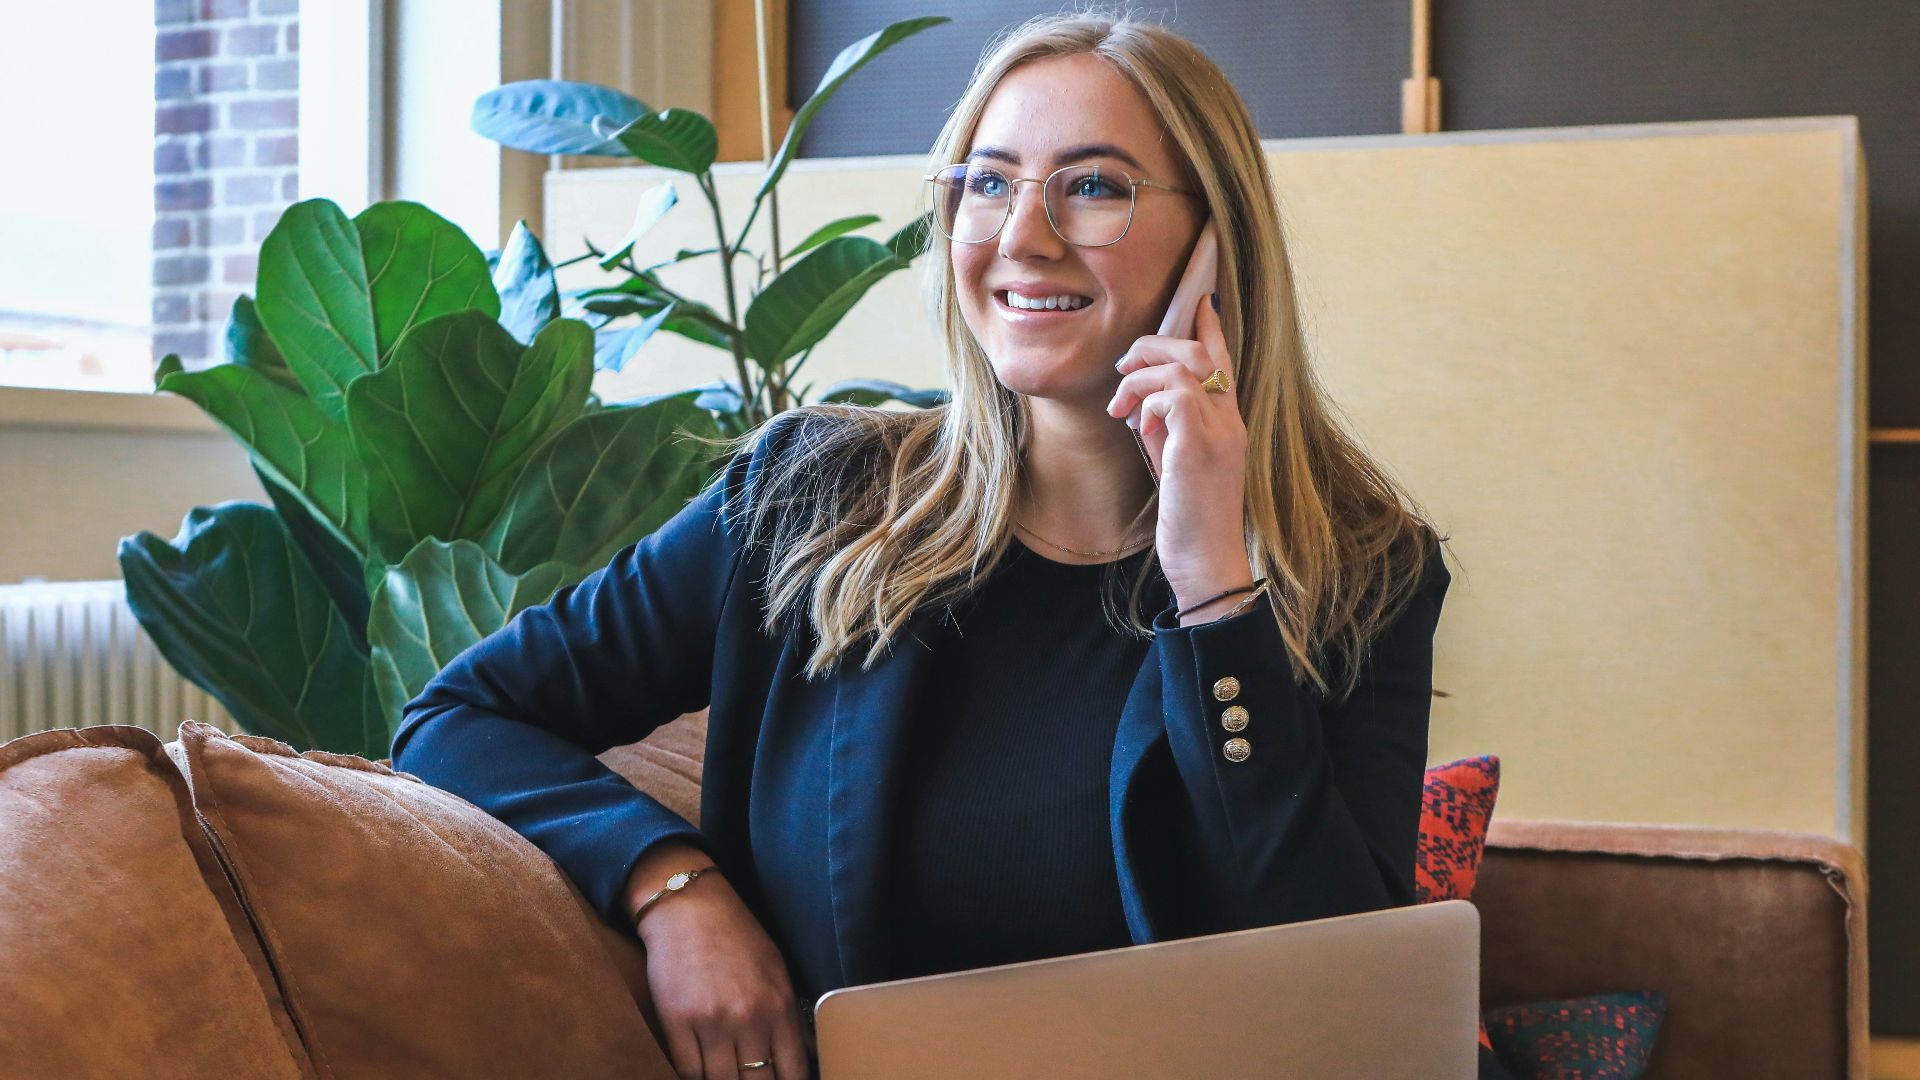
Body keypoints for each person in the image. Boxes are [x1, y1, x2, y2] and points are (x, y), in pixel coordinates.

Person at [391, 10, 1486, 1080]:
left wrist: (1214, 591)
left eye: (1093, 186)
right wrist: (674, 887)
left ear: (1216, 242)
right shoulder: (807, 502)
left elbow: (1341, 991)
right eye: (988, 182)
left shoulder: (1360, 571)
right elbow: (457, 718)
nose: (1023, 236)